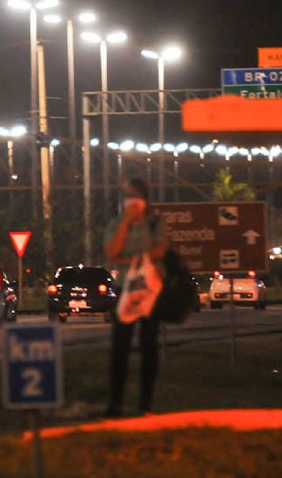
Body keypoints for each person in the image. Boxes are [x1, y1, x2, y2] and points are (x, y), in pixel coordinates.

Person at [103, 176, 170, 417]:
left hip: (150, 291)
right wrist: (126, 224)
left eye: (134, 196)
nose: (130, 200)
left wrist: (130, 259)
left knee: (148, 346)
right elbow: (112, 251)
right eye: (126, 196)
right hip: (125, 290)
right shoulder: (116, 223)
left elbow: (160, 250)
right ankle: (116, 403)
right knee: (120, 346)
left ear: (144, 199)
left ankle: (145, 403)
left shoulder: (154, 223)